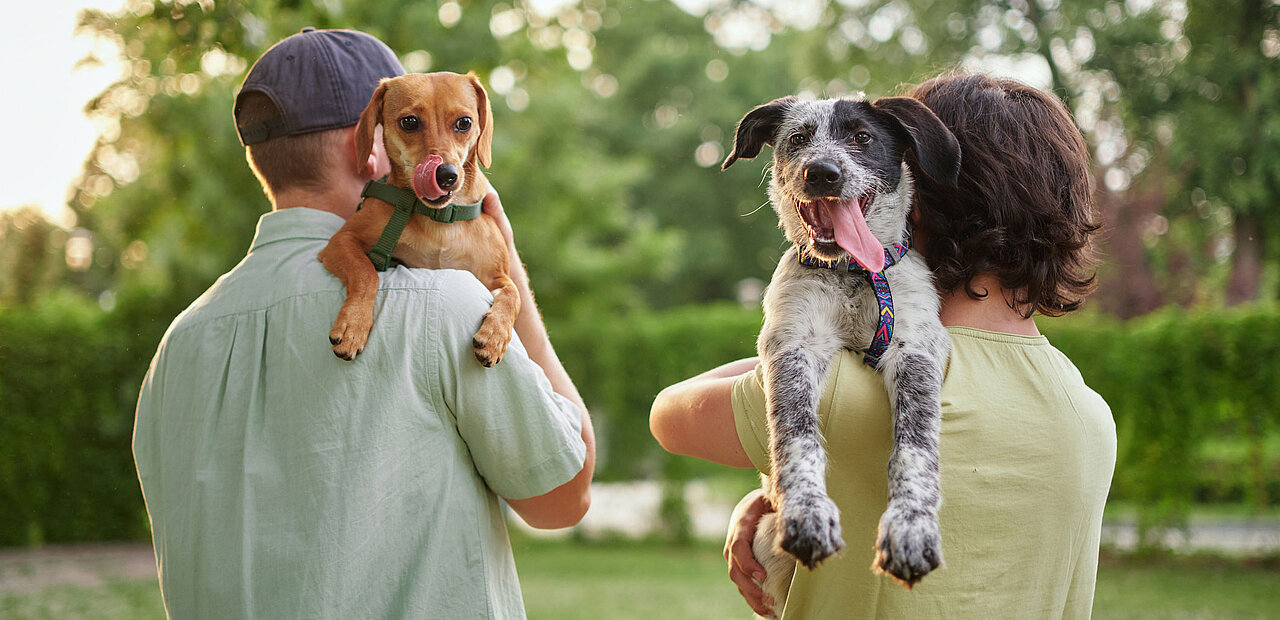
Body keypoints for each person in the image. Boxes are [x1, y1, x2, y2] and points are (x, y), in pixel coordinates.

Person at [132, 28, 595, 619]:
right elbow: (565, 495)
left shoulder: (176, 347)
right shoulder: (447, 307)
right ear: (370, 146)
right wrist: (512, 279)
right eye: (412, 122)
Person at [650, 73, 1116, 619]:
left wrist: (778, 483)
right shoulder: (1089, 413)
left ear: (914, 196)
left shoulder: (841, 397)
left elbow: (669, 416)